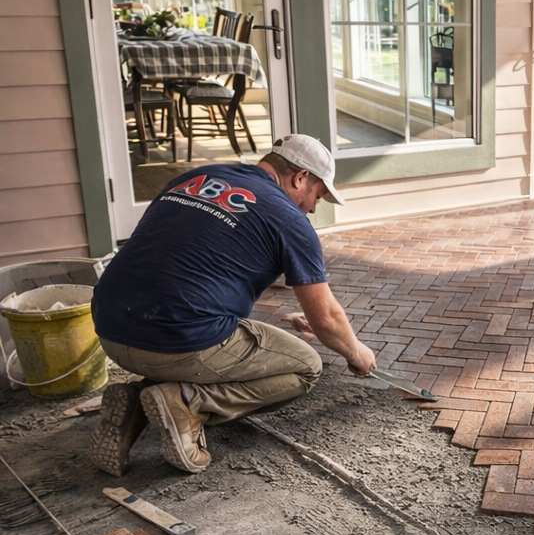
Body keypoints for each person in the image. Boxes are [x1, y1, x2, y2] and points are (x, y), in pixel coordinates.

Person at [88, 133, 376, 476]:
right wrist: (355, 352)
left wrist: (302, 313)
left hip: (109, 328)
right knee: (305, 366)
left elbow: (200, 257)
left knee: (194, 330)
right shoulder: (289, 219)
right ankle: (186, 402)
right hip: (175, 341)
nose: (313, 207)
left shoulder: (196, 177)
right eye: (318, 194)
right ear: (300, 177)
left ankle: (136, 403)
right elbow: (328, 318)